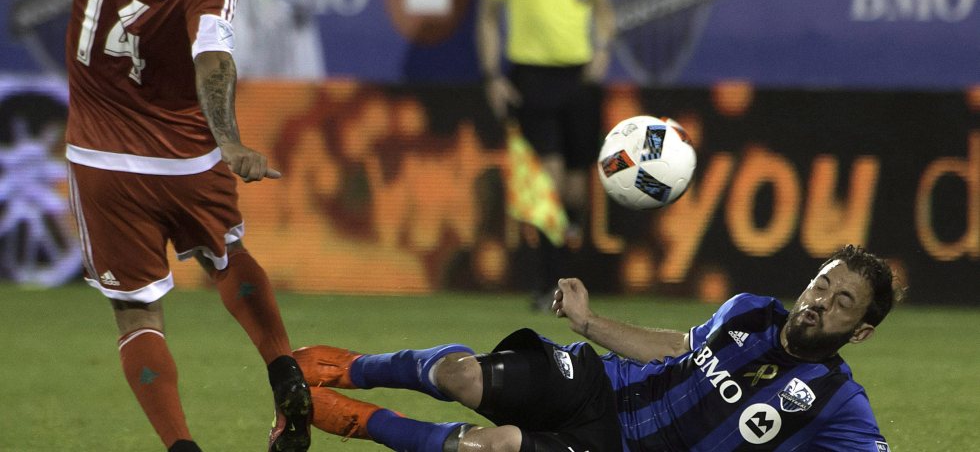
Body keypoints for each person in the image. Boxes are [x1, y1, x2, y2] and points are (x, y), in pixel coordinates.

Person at [31, 0, 312, 450]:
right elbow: (213, 57)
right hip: (187, 159)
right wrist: (229, 142)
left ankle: (181, 446)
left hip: (102, 165)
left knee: (136, 315)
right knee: (225, 254)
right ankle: (284, 371)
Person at [294, 244, 896, 451]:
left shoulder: (837, 401)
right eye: (823, 283)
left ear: (861, 331)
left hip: (615, 449)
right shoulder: (751, 310)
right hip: (604, 384)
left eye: (844, 301)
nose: (822, 300)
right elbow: (676, 347)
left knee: (495, 446)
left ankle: (363, 423)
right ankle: (351, 368)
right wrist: (587, 323)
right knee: (460, 375)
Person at [476, 0, 616, 310]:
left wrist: (602, 50)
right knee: (547, 185)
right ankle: (548, 284)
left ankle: (570, 272)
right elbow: (488, 15)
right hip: (532, 78)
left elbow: (604, 12)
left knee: (575, 192)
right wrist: (492, 75)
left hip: (578, 80)